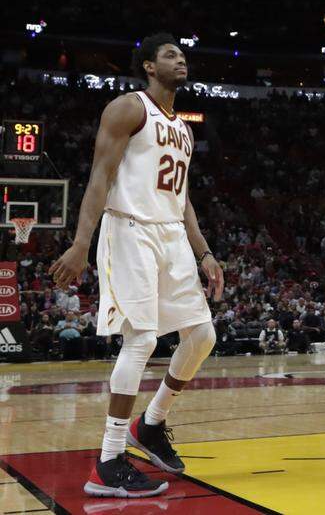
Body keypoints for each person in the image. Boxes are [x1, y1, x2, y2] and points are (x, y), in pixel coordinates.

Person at [49, 33, 223, 498]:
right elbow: (100, 176)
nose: (181, 60)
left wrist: (204, 252)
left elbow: (182, 200)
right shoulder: (128, 108)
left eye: (183, 54)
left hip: (171, 234)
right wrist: (81, 242)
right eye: (170, 55)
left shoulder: (184, 129)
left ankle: (150, 424)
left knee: (202, 336)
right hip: (129, 228)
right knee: (142, 339)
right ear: (148, 66)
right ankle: (107, 462)